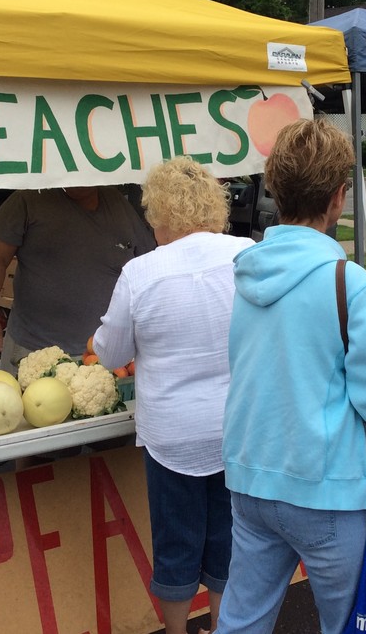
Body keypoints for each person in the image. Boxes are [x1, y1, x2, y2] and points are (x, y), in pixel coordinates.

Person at [216, 118, 366, 634]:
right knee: (351, 622)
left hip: (251, 476)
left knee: (242, 620)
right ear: (338, 197)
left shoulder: (244, 274)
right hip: (327, 487)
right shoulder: (349, 284)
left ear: (275, 191)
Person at [92, 157, 253, 634]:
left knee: (176, 542)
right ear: (215, 204)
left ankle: (179, 631)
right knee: (229, 537)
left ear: (158, 213)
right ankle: (225, 627)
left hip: (172, 437)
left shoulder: (140, 272)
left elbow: (110, 352)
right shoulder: (248, 255)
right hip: (237, 427)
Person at [0, 186, 155, 370]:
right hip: (32, 351)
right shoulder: (27, 200)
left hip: (99, 356)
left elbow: (149, 265)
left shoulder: (118, 205)